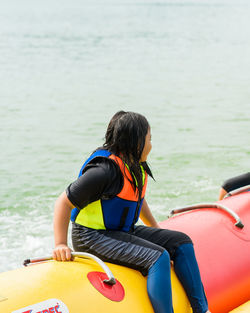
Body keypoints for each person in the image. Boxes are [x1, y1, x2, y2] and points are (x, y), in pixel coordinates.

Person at [53, 111, 210, 313]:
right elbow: (63, 203)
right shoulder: (104, 171)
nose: (151, 145)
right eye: (149, 139)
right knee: (158, 257)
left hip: (121, 231)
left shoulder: (134, 165)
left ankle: (202, 310)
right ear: (136, 143)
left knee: (182, 242)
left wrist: (157, 231)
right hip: (91, 237)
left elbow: (137, 197)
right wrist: (60, 244)